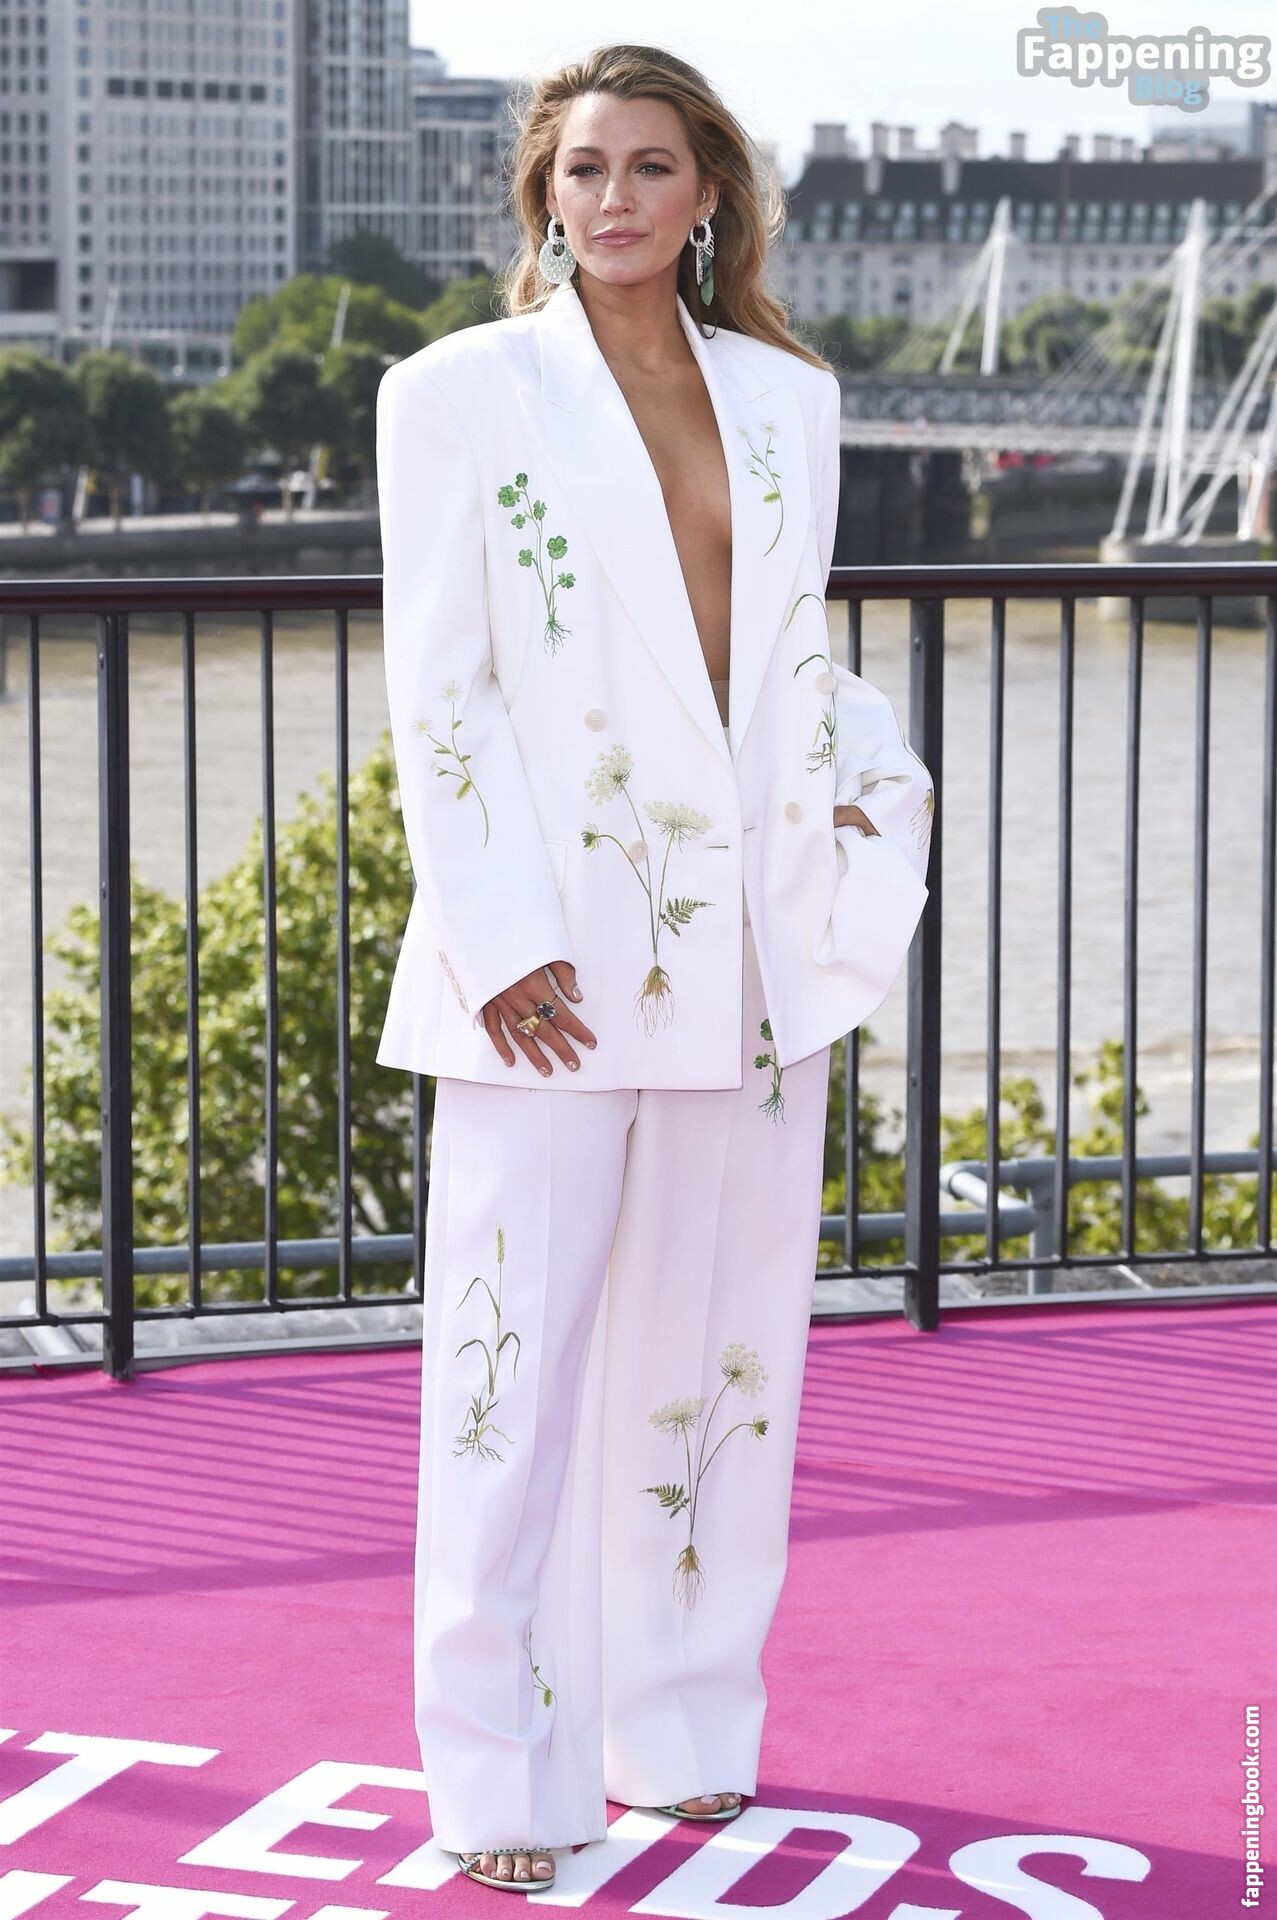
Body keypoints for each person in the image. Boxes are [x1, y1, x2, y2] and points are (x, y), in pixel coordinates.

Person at [374, 42, 934, 1897]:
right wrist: (500, 936)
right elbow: (441, 689)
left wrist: (860, 796)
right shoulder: (458, 393)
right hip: (547, 963)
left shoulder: (787, 397)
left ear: (707, 198)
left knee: (721, 1356)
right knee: (507, 1373)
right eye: (582, 167)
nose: (610, 198)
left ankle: (679, 1732)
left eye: (649, 167)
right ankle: (499, 1776)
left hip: (749, 950)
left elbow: (790, 661)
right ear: (543, 191)